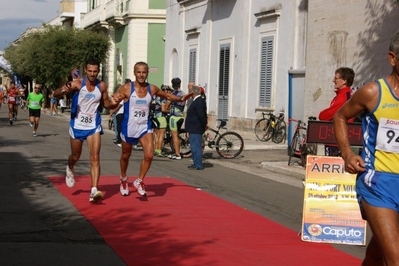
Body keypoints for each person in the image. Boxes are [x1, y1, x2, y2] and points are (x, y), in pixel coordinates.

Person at [333, 29, 399, 265]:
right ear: (393, 58)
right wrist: (347, 153)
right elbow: (339, 116)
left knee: (378, 253)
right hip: (378, 183)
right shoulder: (374, 93)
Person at [112, 61, 192, 196]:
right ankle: (123, 178)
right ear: (134, 73)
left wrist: (181, 98)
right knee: (126, 155)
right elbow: (114, 102)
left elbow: (167, 96)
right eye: (139, 72)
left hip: (144, 126)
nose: (141, 75)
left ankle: (139, 180)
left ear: (147, 73)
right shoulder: (126, 88)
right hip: (129, 127)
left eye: (144, 72)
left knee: (149, 155)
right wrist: (113, 102)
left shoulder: (152, 89)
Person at [53, 58, 120, 203]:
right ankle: (70, 167)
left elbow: (106, 103)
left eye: (95, 71)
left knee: (95, 157)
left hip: (93, 125)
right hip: (77, 125)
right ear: (85, 70)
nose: (92, 74)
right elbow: (55, 94)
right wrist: (62, 90)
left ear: (98, 71)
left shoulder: (101, 86)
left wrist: (116, 102)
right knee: (76, 156)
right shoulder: (77, 83)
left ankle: (94, 190)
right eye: (89, 71)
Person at [319, 67, 355, 156]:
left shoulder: (343, 97)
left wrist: (321, 114)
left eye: (336, 78)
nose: (333, 80)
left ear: (344, 81)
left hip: (336, 140)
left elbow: (324, 116)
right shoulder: (344, 94)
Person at [185, 85, 207, 170]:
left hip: (196, 128)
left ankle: (198, 164)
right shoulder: (197, 101)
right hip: (194, 127)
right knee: (194, 146)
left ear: (193, 93)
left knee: (196, 147)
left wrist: (204, 125)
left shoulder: (198, 101)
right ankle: (196, 163)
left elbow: (201, 115)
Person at [167, 77, 186, 160]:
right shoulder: (183, 93)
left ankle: (177, 154)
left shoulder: (172, 95)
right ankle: (177, 152)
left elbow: (167, 106)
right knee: (177, 135)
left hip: (174, 117)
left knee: (174, 136)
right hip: (181, 116)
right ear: (180, 84)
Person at [152, 84, 172, 157]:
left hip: (155, 115)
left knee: (157, 134)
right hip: (161, 117)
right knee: (161, 135)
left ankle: (155, 149)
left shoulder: (156, 96)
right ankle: (159, 150)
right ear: (165, 90)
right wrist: (170, 110)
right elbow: (163, 109)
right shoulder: (163, 98)